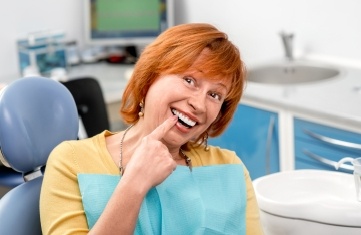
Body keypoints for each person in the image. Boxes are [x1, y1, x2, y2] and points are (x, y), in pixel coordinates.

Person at [40, 23, 263, 235]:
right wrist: (135, 183)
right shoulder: (70, 161)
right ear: (149, 79)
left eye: (214, 95)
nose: (199, 104)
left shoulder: (230, 168)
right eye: (189, 80)